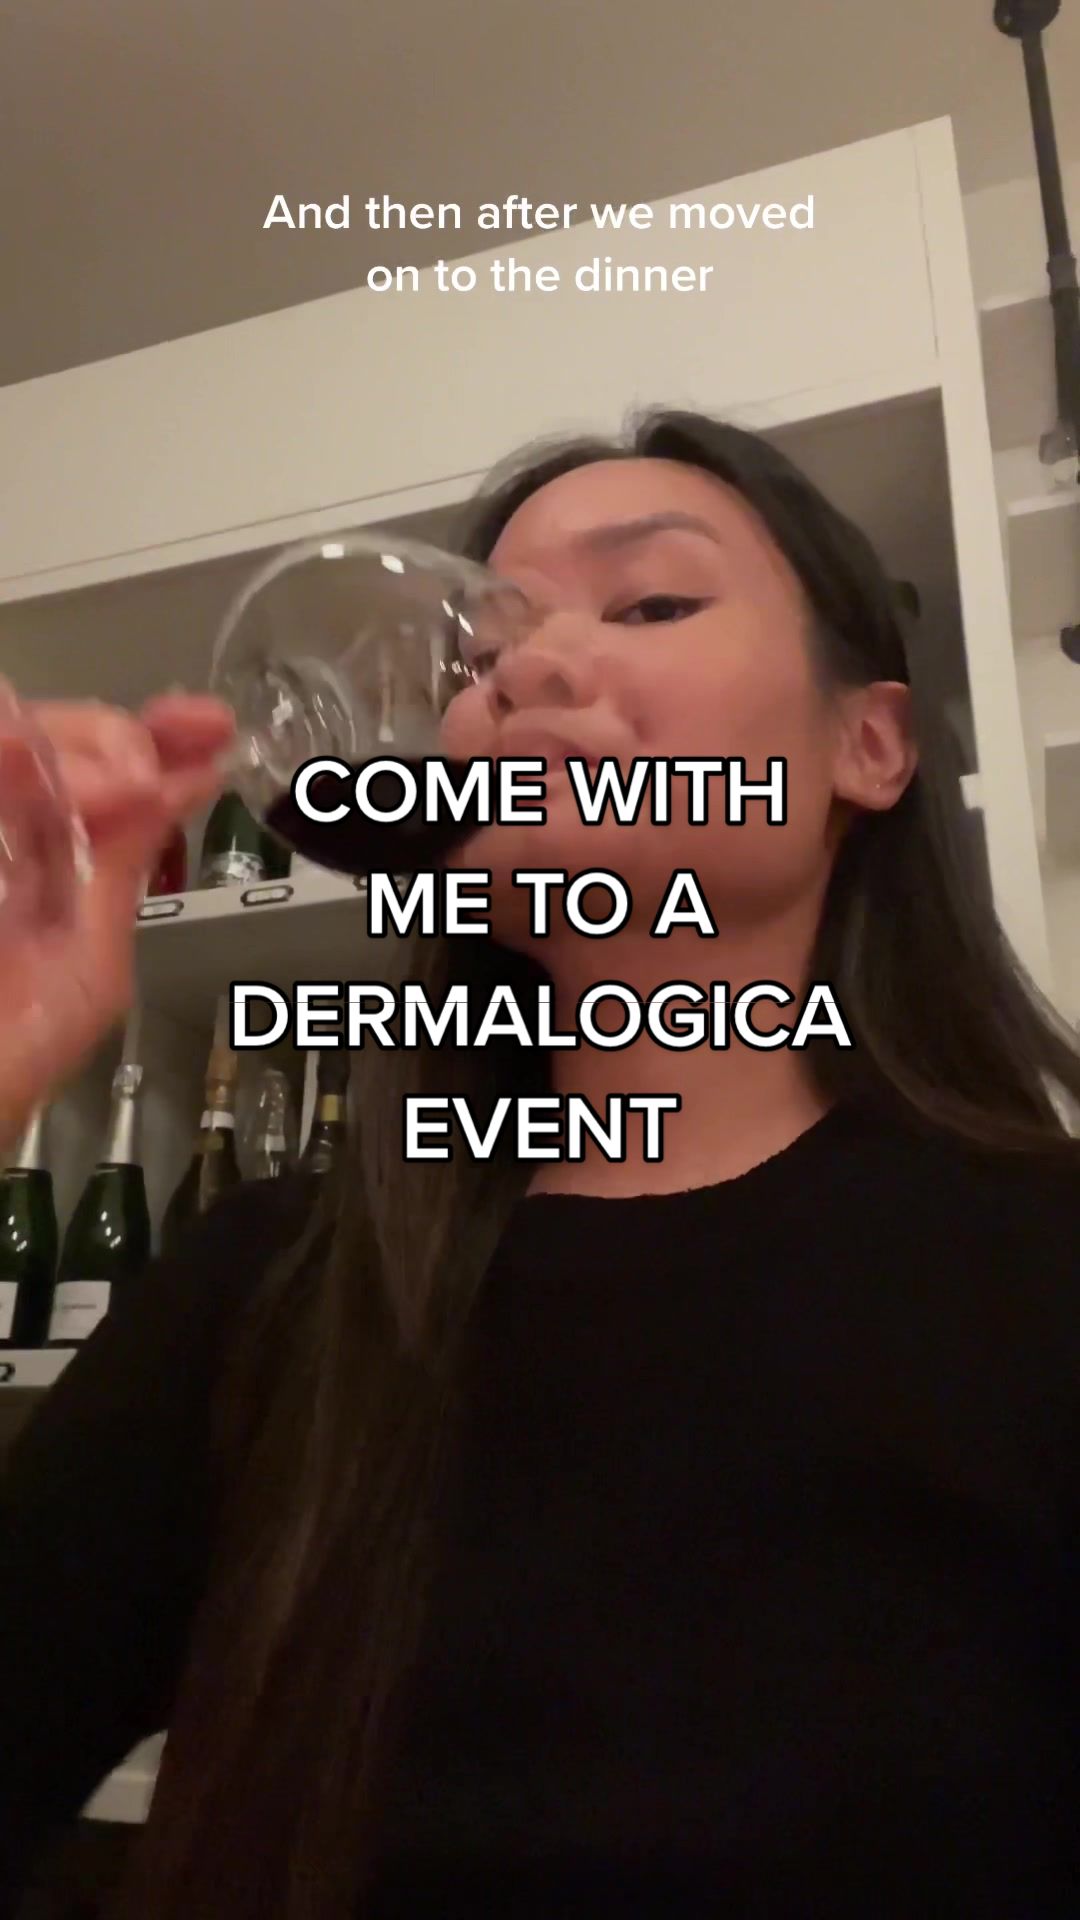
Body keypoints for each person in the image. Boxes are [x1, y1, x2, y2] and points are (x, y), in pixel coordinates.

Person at [3, 407, 1080, 1920]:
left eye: (650, 603)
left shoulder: (1042, 1267)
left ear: (870, 746)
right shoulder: (268, 1289)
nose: (524, 672)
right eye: (479, 656)